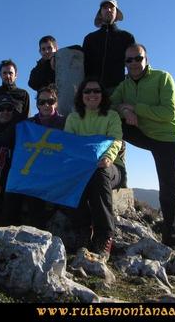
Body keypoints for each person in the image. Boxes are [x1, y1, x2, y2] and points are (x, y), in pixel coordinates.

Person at [110, 43, 175, 250]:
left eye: (138, 58)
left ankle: (172, 242)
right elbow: (110, 105)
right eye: (129, 60)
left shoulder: (162, 77)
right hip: (143, 133)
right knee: (110, 122)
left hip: (168, 137)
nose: (134, 63)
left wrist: (134, 108)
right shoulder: (124, 85)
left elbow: (168, 113)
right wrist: (125, 112)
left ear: (146, 59)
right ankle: (112, 168)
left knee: (169, 187)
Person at [0, 84, 66, 224]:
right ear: (37, 105)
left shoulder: (65, 123)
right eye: (42, 102)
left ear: (56, 102)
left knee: (36, 211)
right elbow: (3, 142)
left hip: (51, 174)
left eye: (50, 101)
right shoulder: (28, 124)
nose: (46, 105)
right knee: (9, 207)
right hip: (28, 174)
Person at [64, 78, 126, 258]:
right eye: (87, 91)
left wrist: (107, 158)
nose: (92, 94)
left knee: (98, 173)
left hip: (111, 167)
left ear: (102, 94)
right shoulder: (74, 118)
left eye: (96, 91)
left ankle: (104, 236)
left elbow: (116, 140)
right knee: (71, 179)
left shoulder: (111, 116)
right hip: (82, 167)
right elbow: (69, 143)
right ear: (81, 96)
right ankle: (83, 230)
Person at [82, 0, 135, 94]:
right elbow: (83, 62)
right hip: (93, 93)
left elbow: (134, 62)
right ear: (100, 13)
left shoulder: (127, 37)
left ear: (116, 13)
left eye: (112, 7)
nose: (108, 10)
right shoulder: (89, 39)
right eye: (105, 7)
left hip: (118, 91)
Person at [0, 59, 30, 133]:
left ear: (16, 75)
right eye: (4, 73)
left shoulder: (23, 94)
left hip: (17, 137)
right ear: (0, 75)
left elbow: (26, 118)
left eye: (10, 73)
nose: (7, 76)